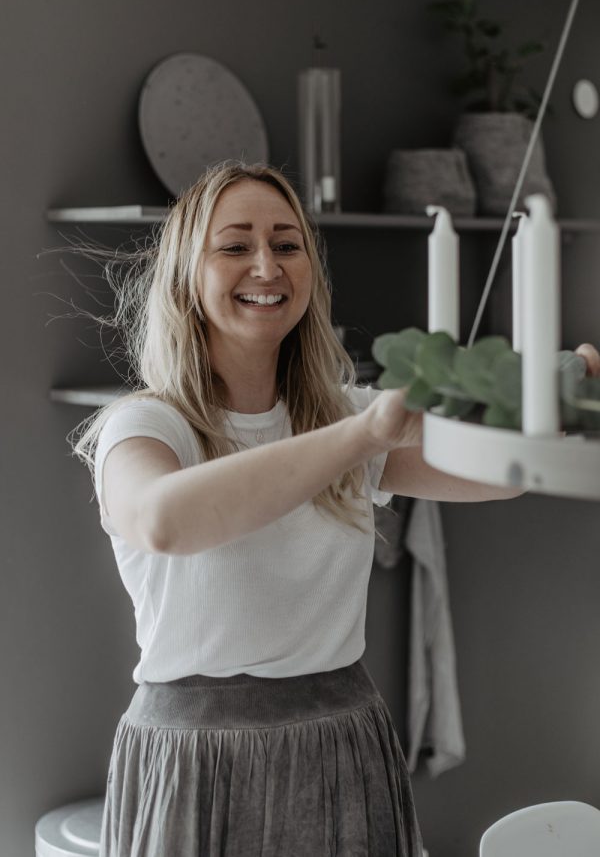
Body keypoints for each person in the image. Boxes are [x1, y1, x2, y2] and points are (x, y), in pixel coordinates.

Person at [70, 161, 600, 857]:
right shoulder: (145, 426)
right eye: (236, 245)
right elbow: (164, 521)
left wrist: (562, 396)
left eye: (287, 244)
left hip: (343, 744)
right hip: (197, 761)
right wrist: (364, 435)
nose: (267, 266)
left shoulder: (345, 416)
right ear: (185, 276)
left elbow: (499, 476)